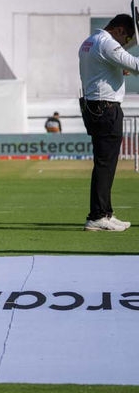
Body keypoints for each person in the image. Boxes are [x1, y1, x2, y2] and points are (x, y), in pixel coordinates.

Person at [78, 14, 138, 232]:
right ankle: (97, 216)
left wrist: (121, 68)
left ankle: (104, 213)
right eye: (127, 38)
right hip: (106, 109)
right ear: (120, 30)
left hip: (95, 107)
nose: (125, 44)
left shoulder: (90, 41)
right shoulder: (108, 44)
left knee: (105, 163)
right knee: (105, 164)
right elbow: (137, 66)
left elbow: (102, 69)